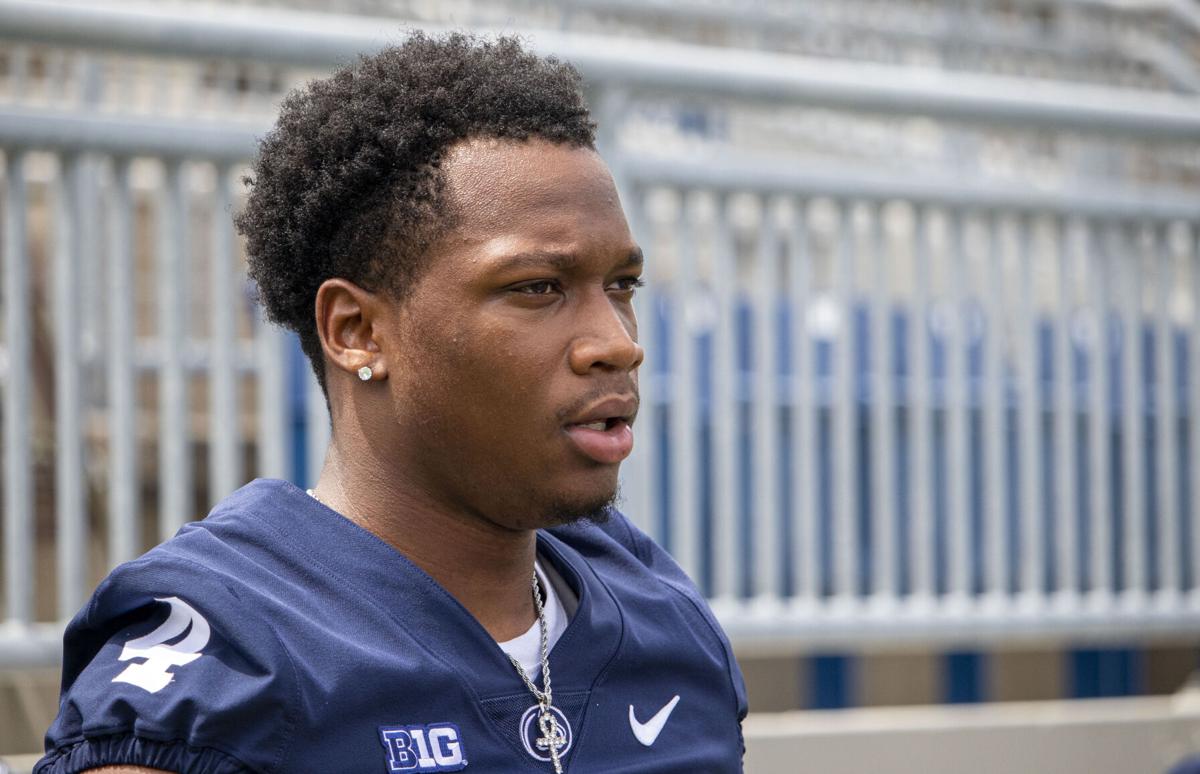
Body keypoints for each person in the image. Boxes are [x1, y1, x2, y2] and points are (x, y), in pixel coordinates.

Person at [36, 32, 747, 773]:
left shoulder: (659, 615)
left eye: (621, 287)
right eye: (537, 288)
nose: (616, 341)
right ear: (359, 331)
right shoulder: (230, 667)